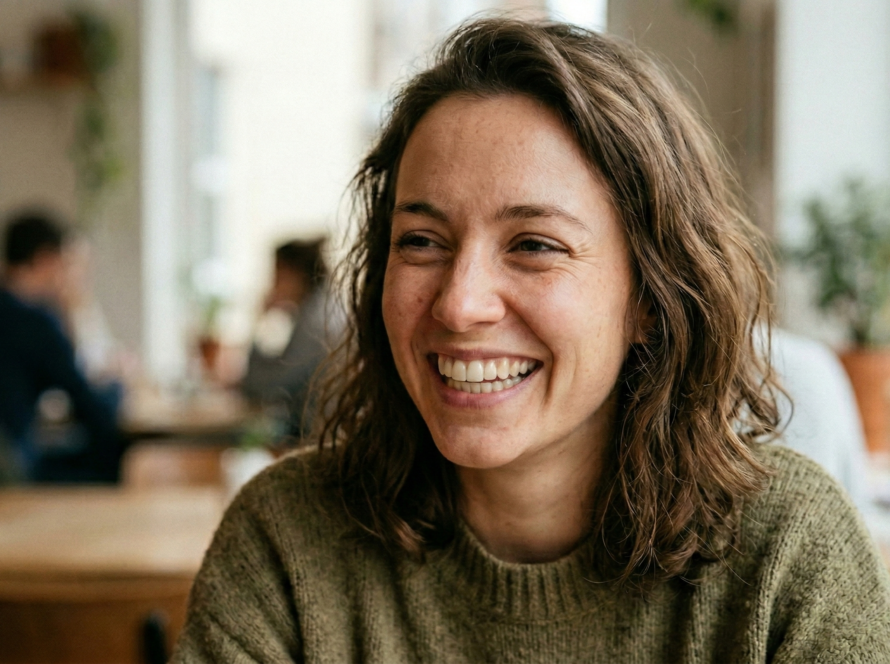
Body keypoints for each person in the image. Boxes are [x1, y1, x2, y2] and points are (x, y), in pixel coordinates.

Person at [173, 19, 890, 662]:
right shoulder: (287, 544)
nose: (459, 304)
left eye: (535, 245)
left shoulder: (786, 553)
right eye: (421, 241)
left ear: (650, 296)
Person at [0, 211, 124, 482]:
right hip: (14, 475)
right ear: (45, 259)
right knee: (113, 457)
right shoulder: (36, 323)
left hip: (12, 461)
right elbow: (94, 411)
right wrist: (117, 386)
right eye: (64, 264)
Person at [241, 238, 340, 440]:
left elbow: (266, 386)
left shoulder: (317, 322)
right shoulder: (322, 308)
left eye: (277, 275)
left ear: (294, 274)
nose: (272, 284)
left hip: (313, 438)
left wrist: (259, 322)